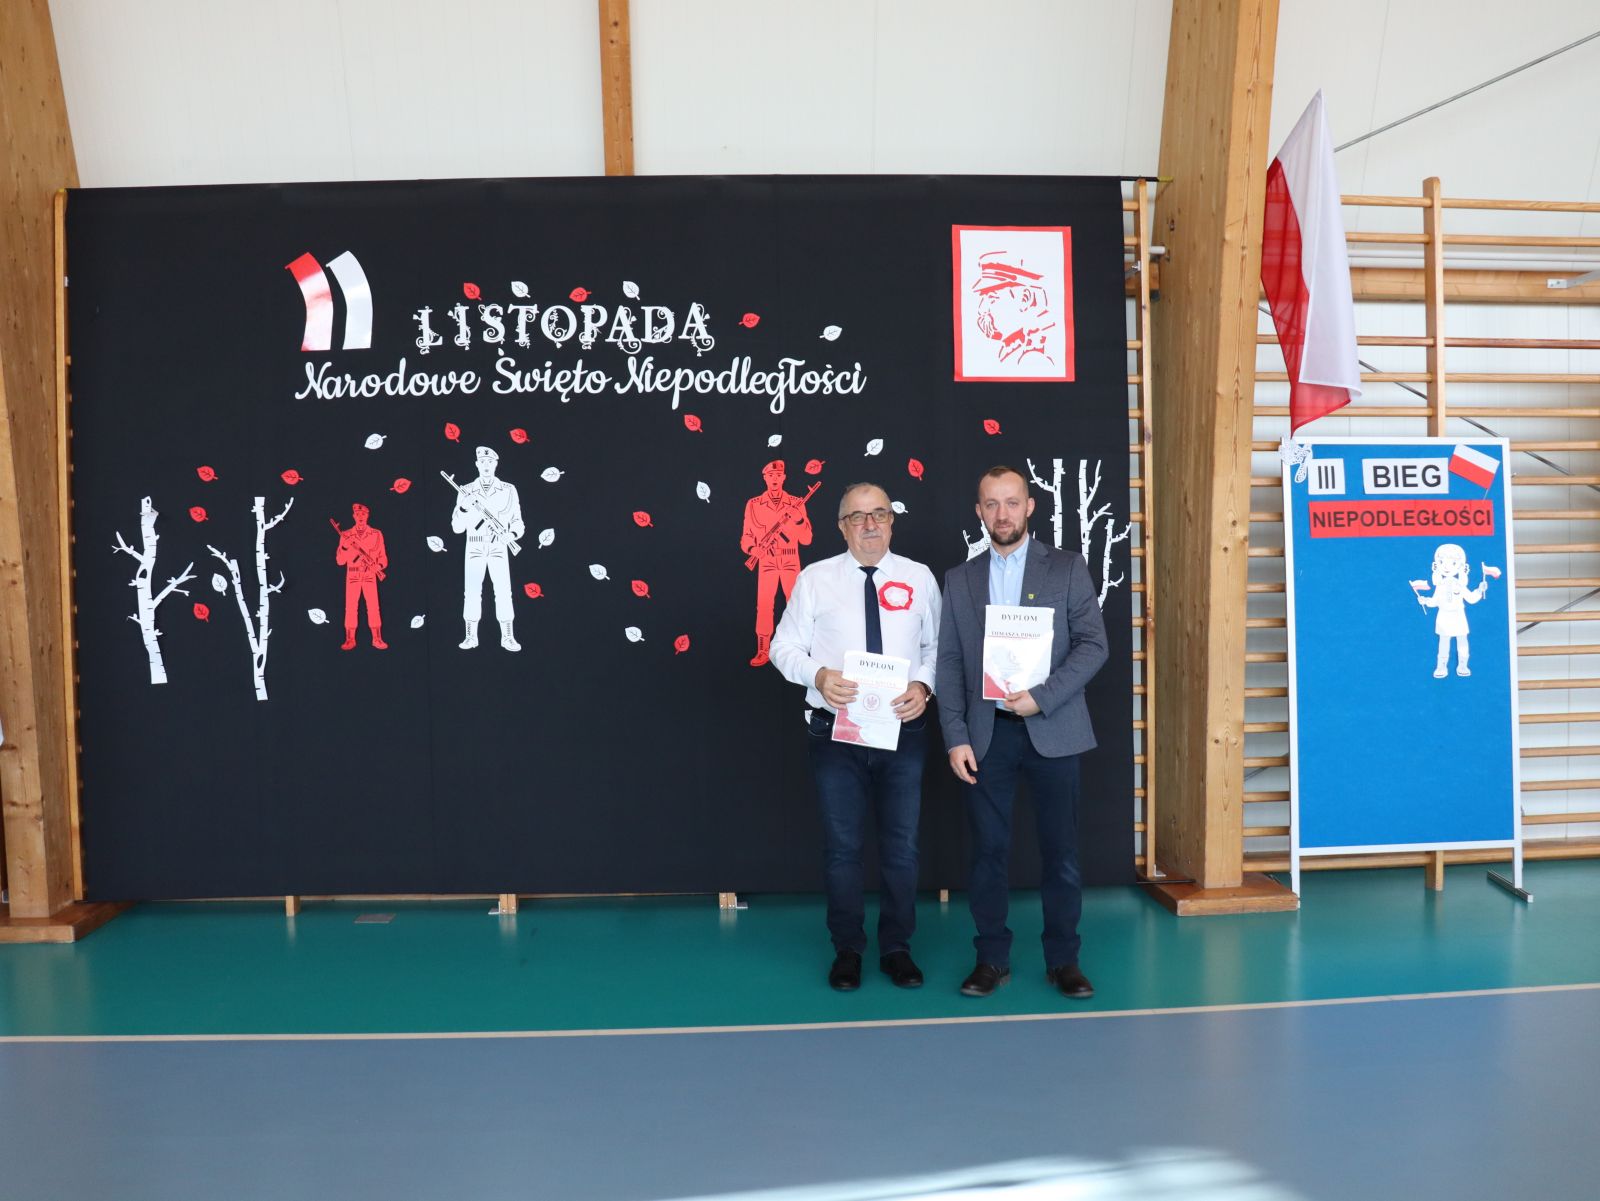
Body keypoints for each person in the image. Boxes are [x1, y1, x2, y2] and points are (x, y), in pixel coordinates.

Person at [935, 466, 1108, 999]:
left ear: (1030, 506)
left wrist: (1043, 696)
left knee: (1061, 853)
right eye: (991, 504)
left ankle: (1064, 960)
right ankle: (991, 959)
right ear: (979, 511)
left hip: (1053, 727)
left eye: (1012, 502)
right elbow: (949, 662)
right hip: (987, 735)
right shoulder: (960, 579)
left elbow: (1094, 646)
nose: (1002, 513)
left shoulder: (1067, 568)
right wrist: (955, 736)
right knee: (988, 853)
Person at [770, 483, 940, 991]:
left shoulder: (919, 577)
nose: (869, 525)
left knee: (902, 848)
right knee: (843, 849)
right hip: (835, 734)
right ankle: (847, 948)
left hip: (903, 730)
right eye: (857, 517)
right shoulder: (815, 579)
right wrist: (819, 675)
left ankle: (897, 948)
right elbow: (783, 647)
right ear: (841, 527)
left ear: (892, 521)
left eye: (879, 514)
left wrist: (924, 685)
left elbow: (937, 647)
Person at [451, 445, 525, 652]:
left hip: (498, 546)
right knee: (472, 592)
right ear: (476, 464)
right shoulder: (466, 490)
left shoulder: (509, 490)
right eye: (482, 462)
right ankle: (470, 636)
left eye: (490, 461)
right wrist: (464, 507)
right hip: (474, 545)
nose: (486, 465)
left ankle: (508, 636)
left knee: (503, 591)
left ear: (496, 464)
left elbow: (518, 522)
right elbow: (456, 528)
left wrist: (511, 535)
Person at [741, 459, 814, 667]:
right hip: (767, 560)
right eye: (770, 475)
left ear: (784, 478)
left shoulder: (796, 503)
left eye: (778, 475)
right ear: (764, 478)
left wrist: (799, 519)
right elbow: (746, 537)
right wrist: (754, 550)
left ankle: (800, 649)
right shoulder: (754, 504)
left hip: (790, 559)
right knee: (764, 605)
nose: (774, 479)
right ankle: (763, 650)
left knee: (797, 604)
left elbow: (807, 539)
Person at [335, 502, 388, 650]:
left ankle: (377, 638)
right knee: (351, 607)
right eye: (357, 514)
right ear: (353, 516)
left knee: (373, 607)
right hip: (353, 575)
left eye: (363, 514)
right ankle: (350, 639)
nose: (360, 517)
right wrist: (345, 546)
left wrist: (378, 566)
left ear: (367, 516)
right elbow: (340, 561)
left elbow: (383, 558)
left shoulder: (376, 534)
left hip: (370, 575)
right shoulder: (346, 535)